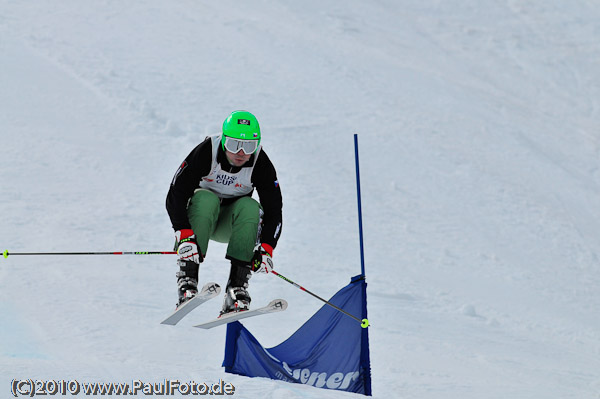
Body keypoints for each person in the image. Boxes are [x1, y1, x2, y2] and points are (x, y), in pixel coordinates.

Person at [166, 110, 282, 315]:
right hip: (199, 221)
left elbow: (274, 209)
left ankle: (236, 288)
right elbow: (176, 193)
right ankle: (188, 279)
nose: (241, 153)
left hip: (231, 224)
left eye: (248, 146)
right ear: (223, 141)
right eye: (233, 144)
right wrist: (183, 232)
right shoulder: (205, 152)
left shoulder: (260, 163)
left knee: (250, 206)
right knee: (205, 199)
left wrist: (266, 248)